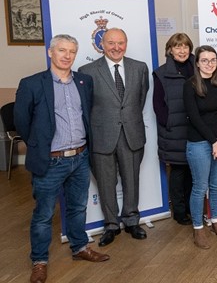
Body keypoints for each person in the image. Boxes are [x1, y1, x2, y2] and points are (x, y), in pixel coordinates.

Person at [15, 35, 109, 283]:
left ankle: (79, 248)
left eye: (72, 52)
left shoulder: (84, 81)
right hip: (50, 162)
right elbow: (22, 123)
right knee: (44, 215)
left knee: (78, 207)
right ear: (50, 52)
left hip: (79, 157)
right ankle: (39, 261)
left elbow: (86, 115)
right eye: (62, 50)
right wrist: (40, 146)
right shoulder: (32, 83)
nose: (67, 56)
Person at [79, 28, 149, 246]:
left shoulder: (140, 68)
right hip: (102, 136)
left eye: (121, 43)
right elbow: (85, 106)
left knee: (132, 180)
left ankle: (131, 220)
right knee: (106, 183)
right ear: (102, 45)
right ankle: (111, 224)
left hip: (132, 134)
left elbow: (140, 99)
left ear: (126, 43)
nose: (116, 47)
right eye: (111, 43)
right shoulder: (87, 71)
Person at [183, 45, 217, 249]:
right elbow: (194, 117)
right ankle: (198, 228)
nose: (209, 64)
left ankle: (216, 222)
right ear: (197, 63)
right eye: (205, 60)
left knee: (216, 185)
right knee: (200, 187)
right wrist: (214, 141)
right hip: (199, 142)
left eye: (213, 60)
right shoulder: (190, 85)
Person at [152, 33, 195, 225]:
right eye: (177, 47)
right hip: (174, 131)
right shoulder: (161, 73)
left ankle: (191, 208)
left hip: (196, 128)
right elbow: (158, 104)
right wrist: (168, 123)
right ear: (170, 50)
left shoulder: (199, 67)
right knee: (178, 173)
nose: (182, 50)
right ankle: (179, 212)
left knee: (194, 172)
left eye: (185, 46)